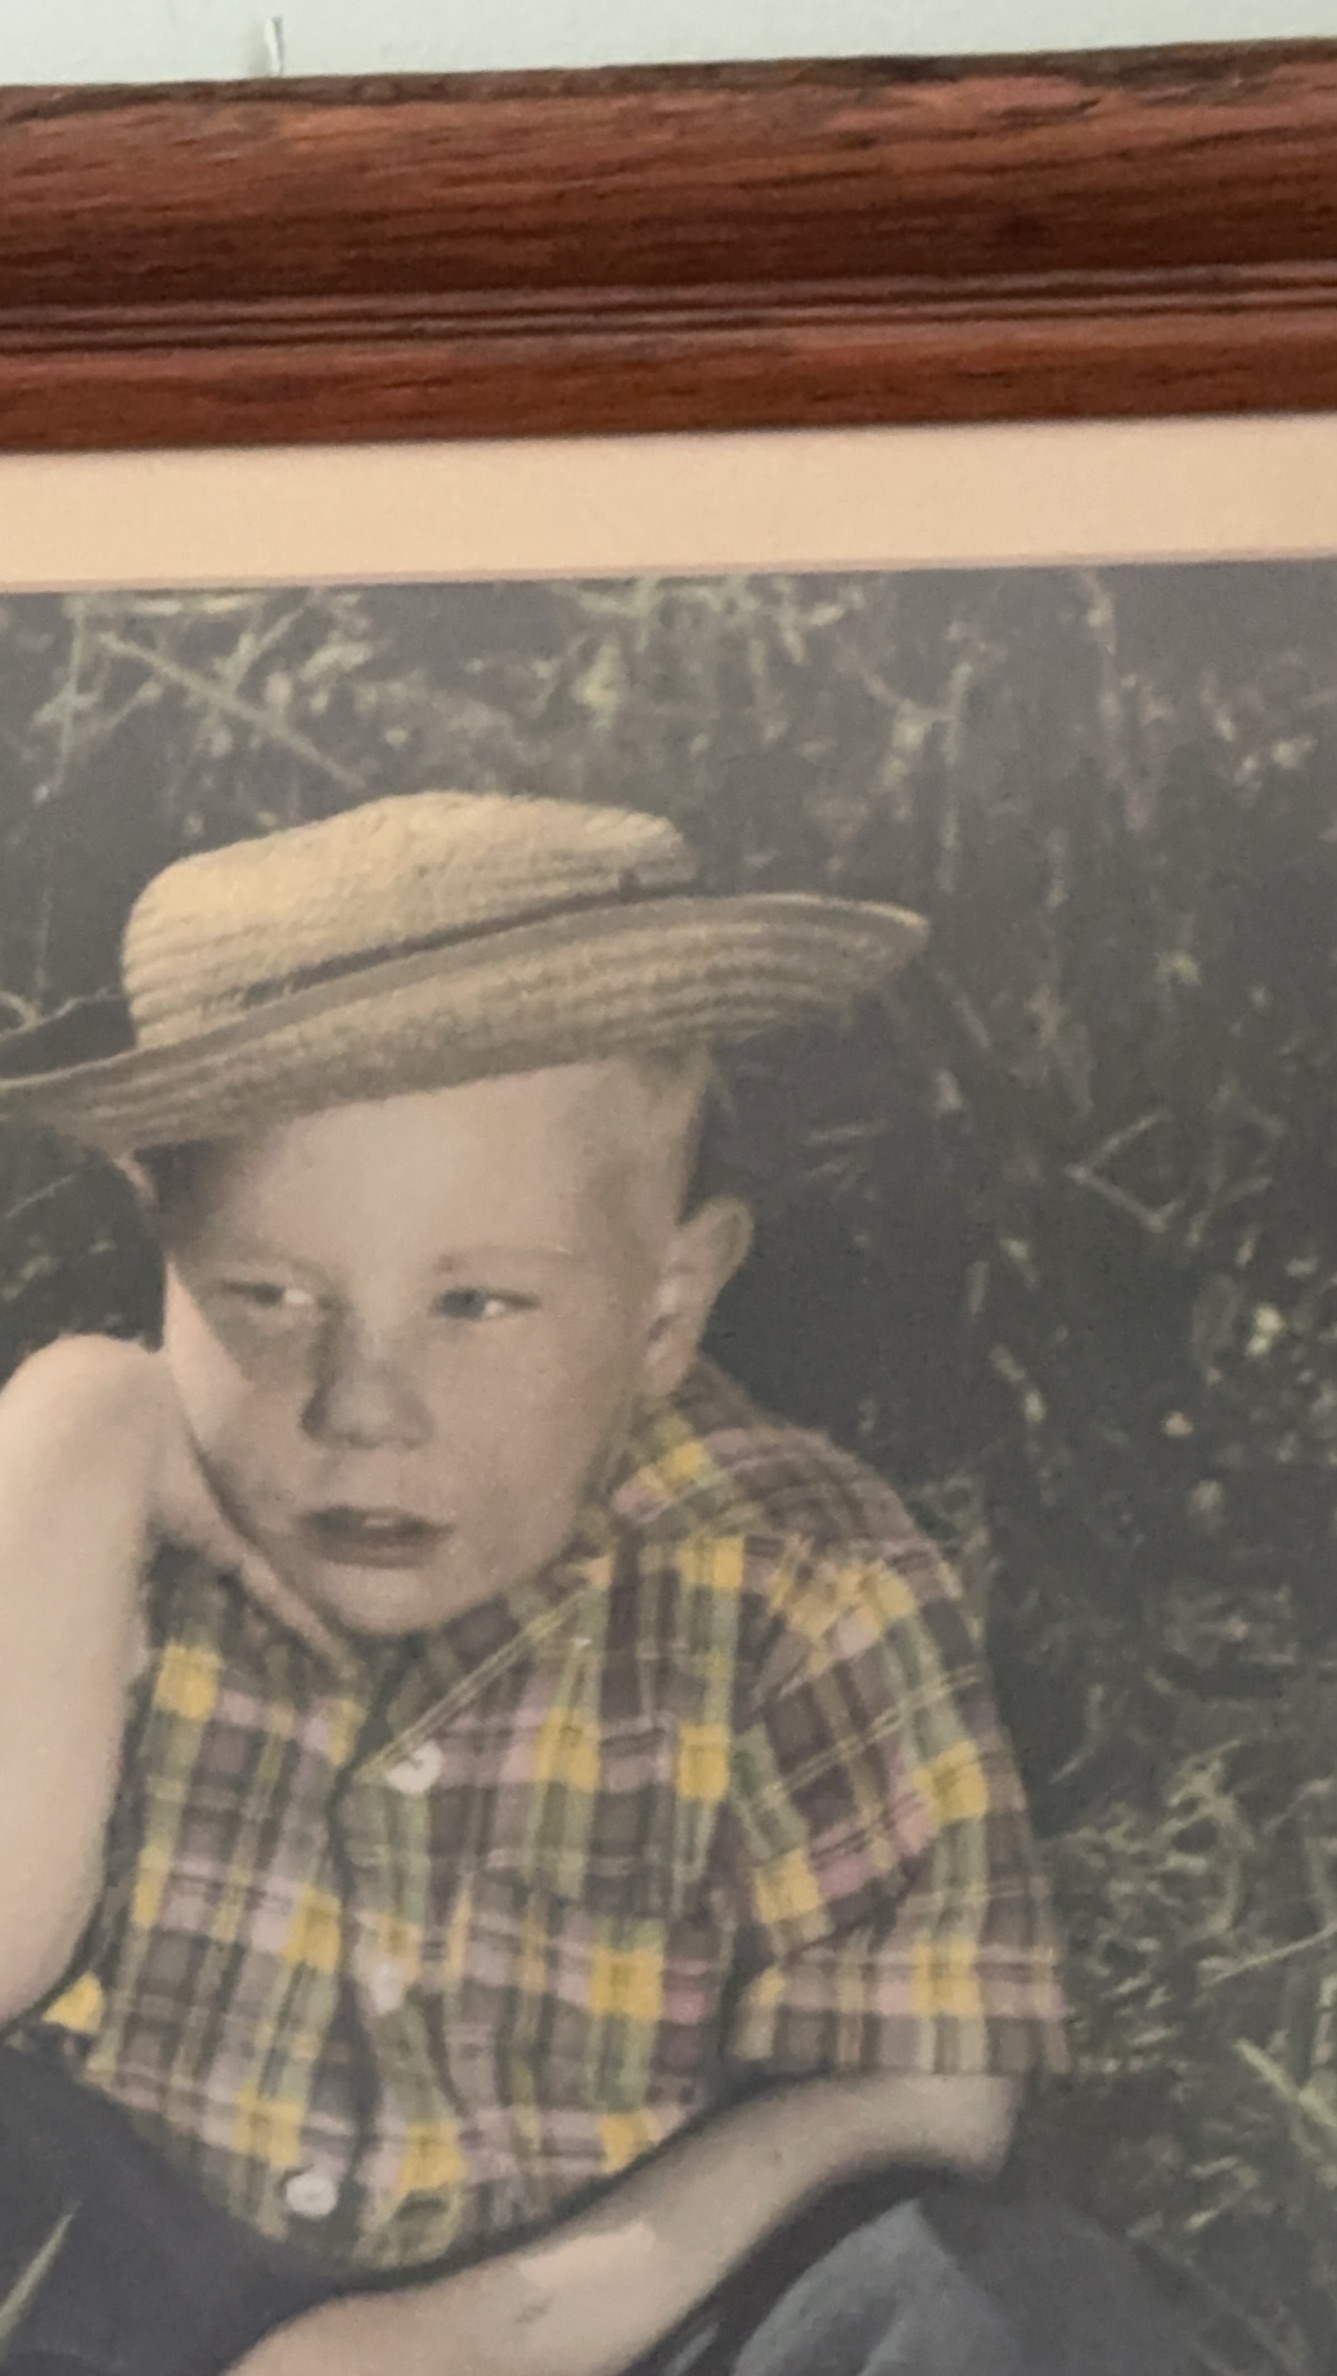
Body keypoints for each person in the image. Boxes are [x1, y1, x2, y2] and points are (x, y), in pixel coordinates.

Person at [0, 791, 1187, 2375]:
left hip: (608, 2313)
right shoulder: (108, 1507)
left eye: (477, 1304)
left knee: (994, 2300)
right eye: (266, 1295)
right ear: (162, 1246)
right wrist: (69, 1437)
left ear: (666, 1305)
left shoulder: (800, 1580)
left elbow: (926, 2093)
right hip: (118, 2299)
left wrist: (473, 2336)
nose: (360, 1406)